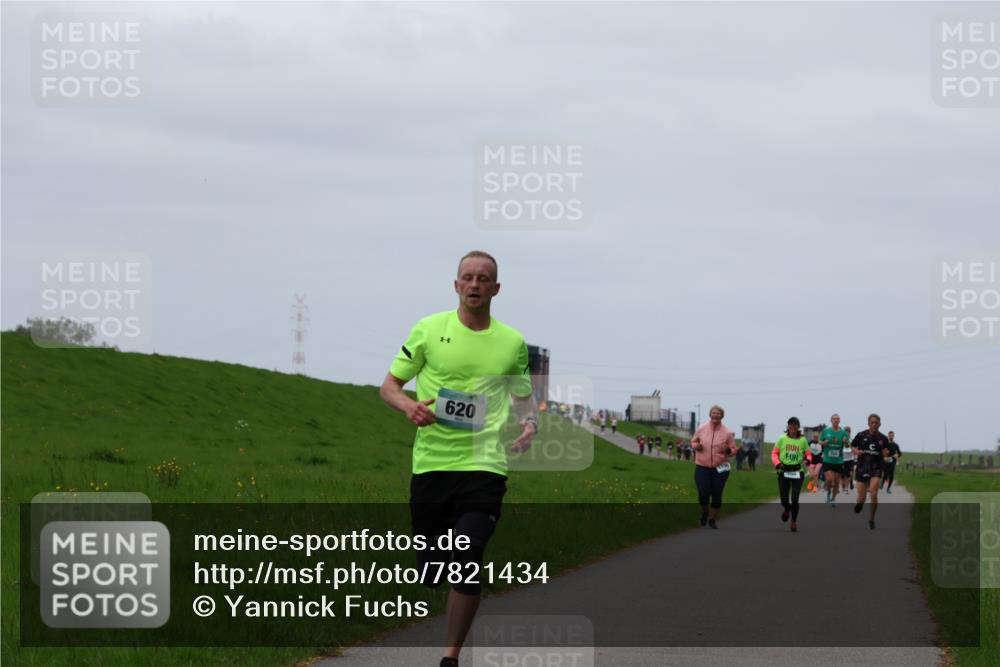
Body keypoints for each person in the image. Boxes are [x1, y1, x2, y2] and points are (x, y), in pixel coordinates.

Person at [380, 250, 538, 667]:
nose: (474, 284)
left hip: (485, 465)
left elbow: (523, 397)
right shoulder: (429, 330)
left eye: (483, 279)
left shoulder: (512, 343)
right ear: (456, 285)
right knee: (432, 571)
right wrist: (409, 406)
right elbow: (389, 386)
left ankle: (450, 658)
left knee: (468, 558)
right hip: (432, 465)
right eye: (467, 277)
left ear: (496, 288)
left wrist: (530, 425)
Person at [691, 405, 740, 529]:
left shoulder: (727, 432)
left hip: (721, 467)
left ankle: (712, 519)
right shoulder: (702, 428)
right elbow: (693, 441)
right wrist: (696, 446)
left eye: (718, 413)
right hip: (702, 466)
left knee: (717, 494)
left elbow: (734, 450)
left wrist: (727, 450)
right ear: (710, 414)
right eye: (713, 412)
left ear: (722, 416)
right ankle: (705, 512)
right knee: (703, 493)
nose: (715, 415)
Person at [851, 414, 892, 530]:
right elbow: (852, 446)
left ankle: (871, 519)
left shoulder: (883, 438)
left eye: (876, 423)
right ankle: (860, 503)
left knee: (873, 493)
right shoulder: (861, 435)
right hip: (862, 467)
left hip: (876, 468)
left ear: (879, 424)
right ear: (868, 423)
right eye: (872, 422)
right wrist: (856, 451)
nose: (874, 424)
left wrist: (885, 453)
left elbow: (886, 451)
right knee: (862, 498)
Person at [772, 417, 809, 532]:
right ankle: (787, 509)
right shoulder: (782, 438)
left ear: (798, 427)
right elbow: (774, 453)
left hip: (798, 471)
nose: (792, 427)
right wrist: (777, 464)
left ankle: (793, 521)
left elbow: (808, 454)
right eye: (790, 425)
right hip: (784, 470)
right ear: (788, 426)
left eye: (795, 425)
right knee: (784, 499)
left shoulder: (803, 440)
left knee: (794, 498)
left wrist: (808, 460)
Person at [819, 413, 849, 507]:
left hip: (838, 460)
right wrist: (824, 443)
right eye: (834, 419)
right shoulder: (826, 431)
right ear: (831, 420)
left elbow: (848, 445)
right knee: (829, 480)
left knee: (836, 482)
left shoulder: (844, 433)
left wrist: (845, 442)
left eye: (837, 419)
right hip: (827, 459)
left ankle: (833, 499)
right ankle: (828, 493)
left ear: (839, 421)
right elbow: (819, 441)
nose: (836, 420)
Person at [841, 426, 855, 492]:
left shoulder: (852, 440)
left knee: (849, 473)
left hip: (850, 459)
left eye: (848, 432)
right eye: (845, 432)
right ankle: (843, 486)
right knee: (843, 474)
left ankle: (847, 487)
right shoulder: (841, 439)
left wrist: (849, 444)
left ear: (850, 432)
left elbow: (854, 448)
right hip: (843, 459)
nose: (847, 433)